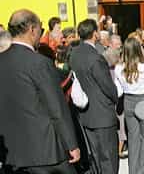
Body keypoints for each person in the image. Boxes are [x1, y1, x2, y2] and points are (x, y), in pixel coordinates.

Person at [0, 9, 80, 173]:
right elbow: (56, 107)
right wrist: (72, 144)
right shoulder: (39, 63)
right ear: (32, 30)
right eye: (41, 30)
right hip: (45, 152)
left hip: (11, 153)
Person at [69, 19, 119, 174]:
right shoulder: (95, 58)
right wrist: (115, 98)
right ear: (94, 34)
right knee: (108, 159)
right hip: (102, 115)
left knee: (97, 158)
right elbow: (108, 86)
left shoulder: (75, 53)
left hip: (86, 114)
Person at [114, 37, 144, 174]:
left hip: (128, 102)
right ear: (139, 50)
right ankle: (143, 172)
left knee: (133, 139)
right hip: (143, 101)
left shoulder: (119, 68)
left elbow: (118, 91)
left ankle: (133, 171)